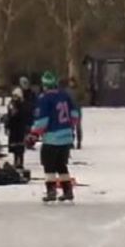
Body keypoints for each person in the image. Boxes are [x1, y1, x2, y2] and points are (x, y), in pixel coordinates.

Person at [28, 71, 80, 202]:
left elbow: (42, 120)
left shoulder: (44, 98)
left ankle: (51, 190)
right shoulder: (65, 95)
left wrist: (34, 134)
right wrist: (69, 127)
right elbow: (75, 115)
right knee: (61, 164)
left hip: (52, 137)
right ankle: (67, 190)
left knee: (49, 164)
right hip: (66, 136)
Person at [3, 88, 30, 168]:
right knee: (14, 147)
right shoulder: (11, 104)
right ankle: (16, 161)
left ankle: (20, 162)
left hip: (20, 128)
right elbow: (9, 116)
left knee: (20, 146)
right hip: (13, 128)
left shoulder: (23, 105)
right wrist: (7, 126)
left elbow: (25, 116)